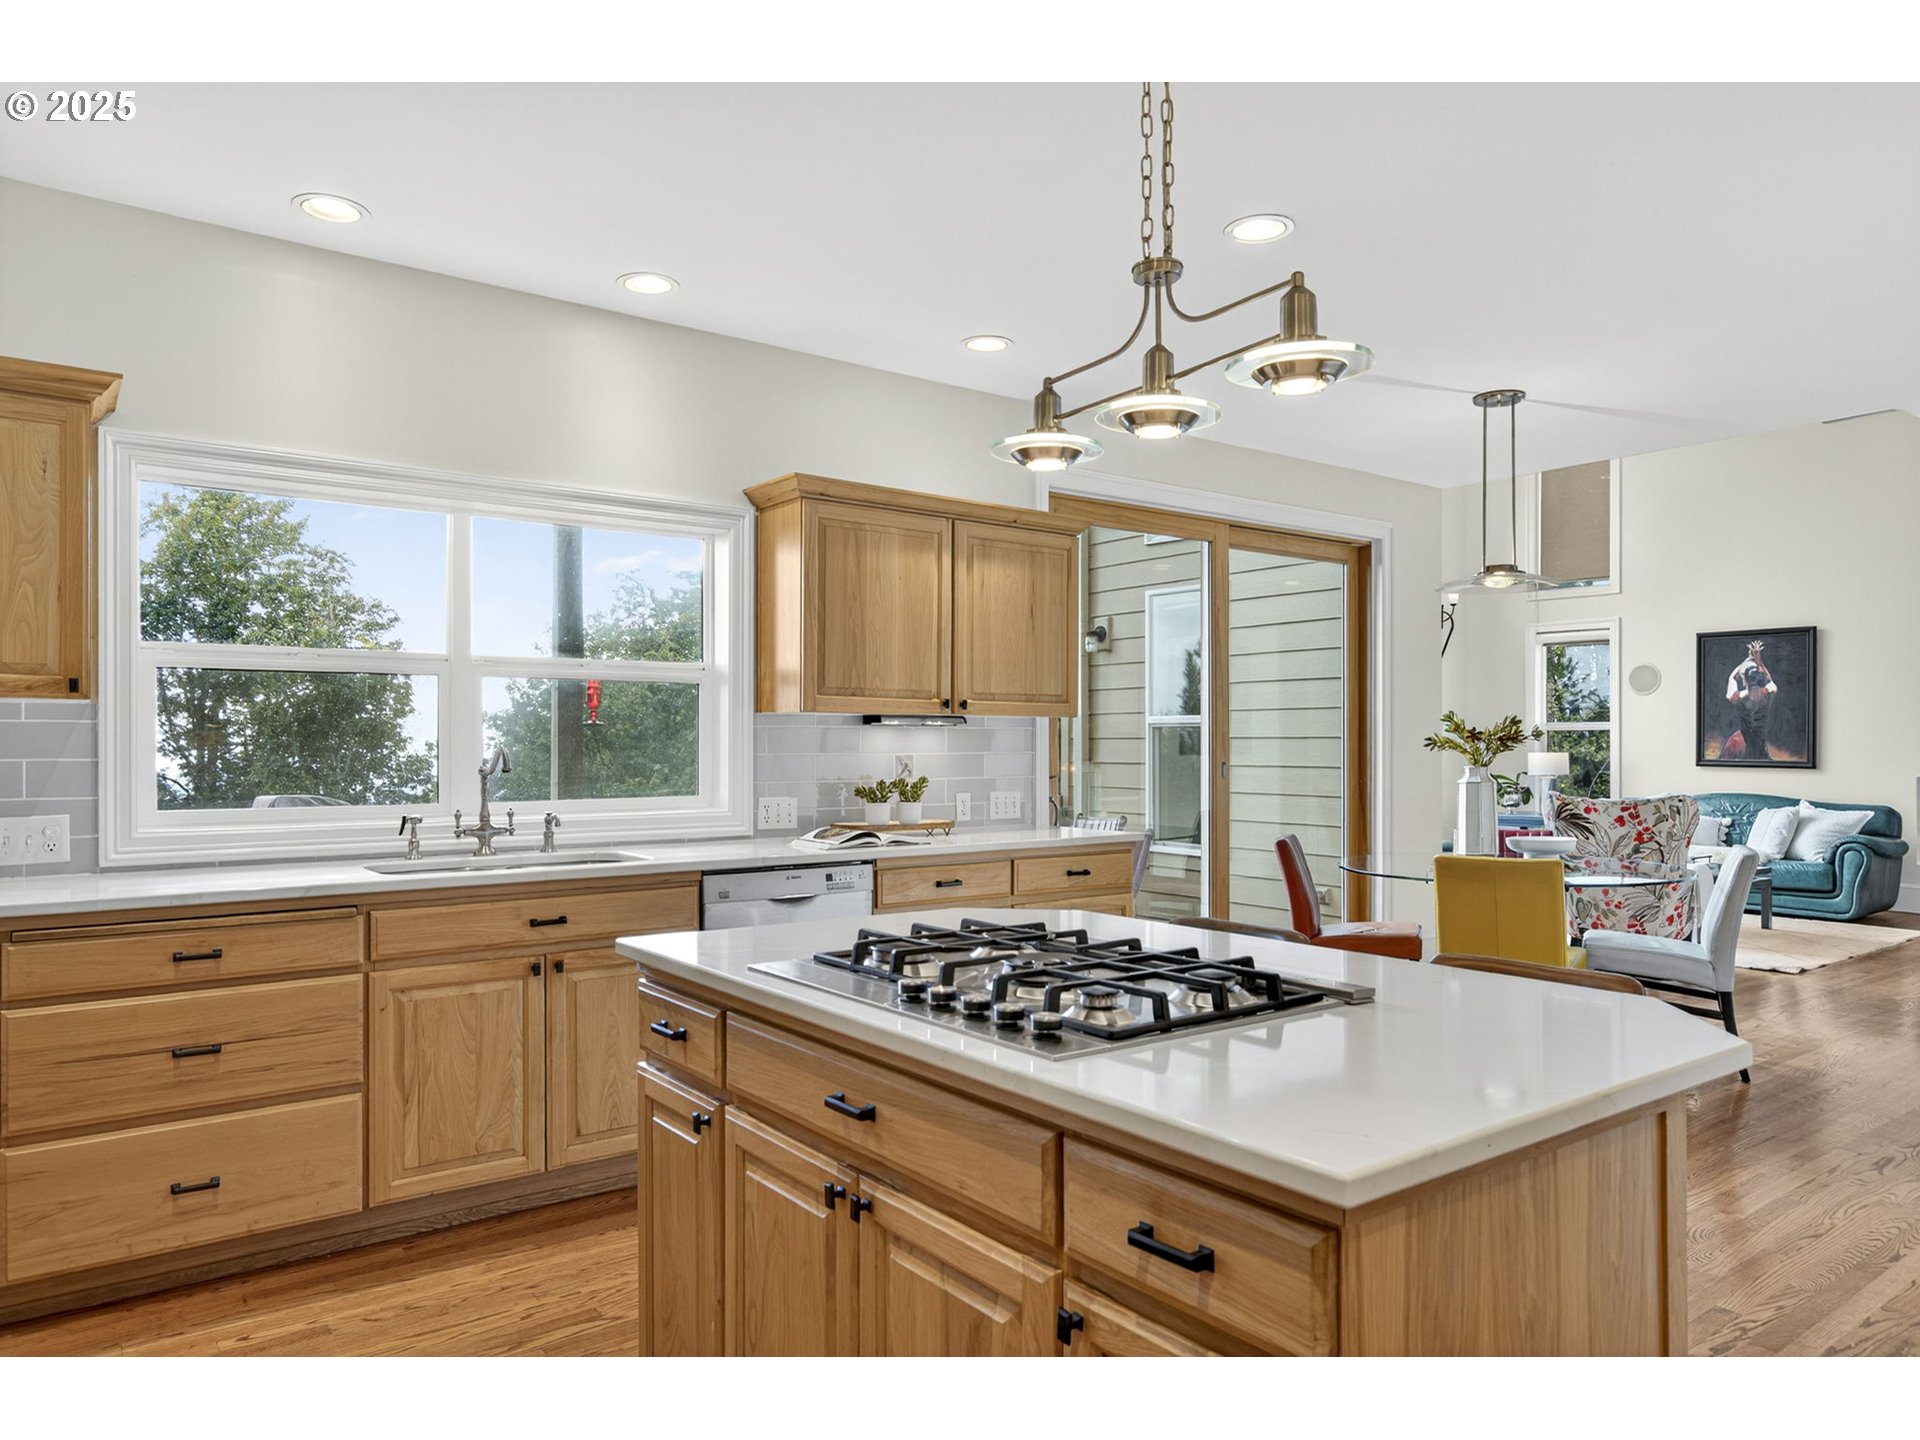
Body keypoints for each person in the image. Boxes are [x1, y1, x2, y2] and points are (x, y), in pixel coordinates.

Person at [1724, 639, 1778, 760]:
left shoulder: (1739, 697)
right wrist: (1758, 660)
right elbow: (1769, 680)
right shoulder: (1769, 693)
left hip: (1745, 740)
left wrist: (1748, 659)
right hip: (1759, 743)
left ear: (1744, 680)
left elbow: (1731, 678)